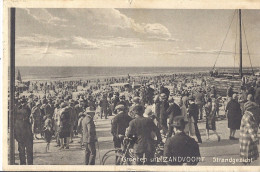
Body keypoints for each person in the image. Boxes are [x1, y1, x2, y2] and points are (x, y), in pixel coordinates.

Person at [240, 100, 260, 165]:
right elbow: (250, 128)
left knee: (248, 157)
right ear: (251, 109)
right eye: (255, 109)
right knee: (247, 156)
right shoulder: (247, 117)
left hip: (248, 138)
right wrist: (256, 139)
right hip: (247, 139)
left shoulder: (249, 115)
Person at [14, 98, 33, 165]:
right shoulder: (18, 119)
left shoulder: (28, 110)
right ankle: (23, 163)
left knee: (28, 151)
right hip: (22, 136)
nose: (23, 103)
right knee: (22, 151)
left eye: (24, 102)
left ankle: (29, 164)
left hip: (27, 135)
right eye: (22, 102)